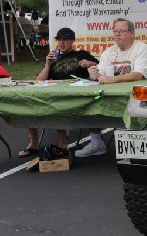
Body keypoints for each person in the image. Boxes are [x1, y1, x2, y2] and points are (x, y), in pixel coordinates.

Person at [75, 18, 147, 158]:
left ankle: (137, 145)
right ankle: (96, 142)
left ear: (132, 33)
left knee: (137, 100)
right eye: (115, 31)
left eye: (121, 31)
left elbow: (139, 74)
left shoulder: (141, 48)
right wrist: (95, 75)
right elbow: (101, 74)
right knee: (90, 100)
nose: (117, 34)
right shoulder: (109, 52)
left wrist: (112, 79)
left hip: (139, 95)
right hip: (111, 95)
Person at [18, 28, 99, 158]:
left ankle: (62, 144)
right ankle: (33, 144)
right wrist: (47, 64)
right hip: (57, 94)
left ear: (72, 40)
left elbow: (101, 66)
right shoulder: (53, 57)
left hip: (78, 94)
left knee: (59, 105)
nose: (61, 43)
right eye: (59, 39)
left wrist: (90, 63)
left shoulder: (82, 54)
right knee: (30, 102)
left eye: (65, 39)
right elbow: (39, 81)